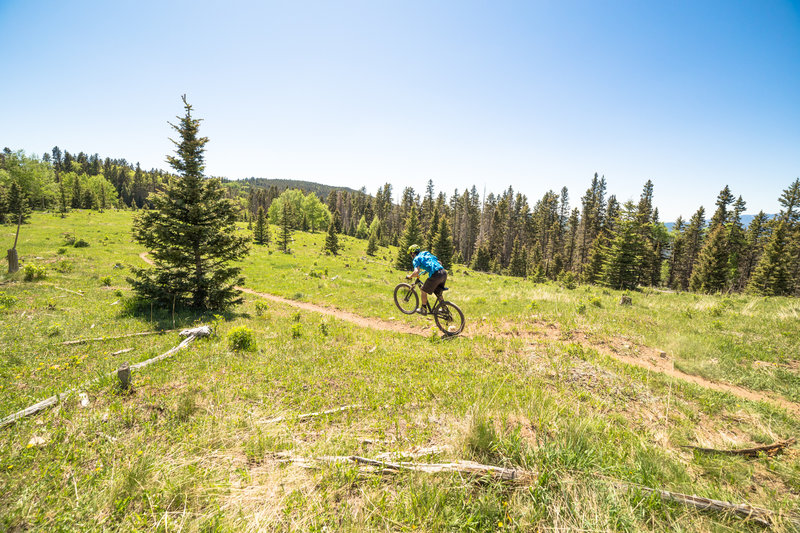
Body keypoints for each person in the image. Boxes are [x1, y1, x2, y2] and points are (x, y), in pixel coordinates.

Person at [406, 244, 447, 315]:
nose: (411, 256)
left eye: (410, 254)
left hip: (436, 274)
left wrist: (410, 276)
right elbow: (439, 262)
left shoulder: (416, 259)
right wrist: (427, 270)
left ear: (413, 253)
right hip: (443, 272)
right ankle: (444, 309)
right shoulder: (426, 253)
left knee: (423, 290)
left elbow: (416, 272)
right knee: (438, 292)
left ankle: (423, 309)